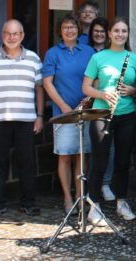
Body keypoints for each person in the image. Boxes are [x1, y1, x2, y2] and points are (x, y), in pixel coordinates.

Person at [0, 19, 44, 219]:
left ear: (22, 36)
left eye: (16, 34)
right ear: (2, 35)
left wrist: (39, 116)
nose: (11, 38)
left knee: (27, 163)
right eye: (8, 33)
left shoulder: (33, 59)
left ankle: (28, 203)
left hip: (25, 120)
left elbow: (39, 89)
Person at [82, 17, 136, 225]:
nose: (120, 34)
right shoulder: (98, 57)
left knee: (123, 162)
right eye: (116, 31)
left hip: (126, 115)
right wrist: (102, 95)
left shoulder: (134, 59)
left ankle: (121, 202)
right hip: (102, 114)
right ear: (109, 33)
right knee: (99, 161)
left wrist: (133, 90)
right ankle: (94, 206)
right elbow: (86, 88)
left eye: (124, 31)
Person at [42, 14, 96, 214]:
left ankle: (80, 197)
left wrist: (90, 99)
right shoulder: (53, 53)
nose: (69, 30)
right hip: (63, 113)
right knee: (65, 156)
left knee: (82, 156)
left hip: (85, 113)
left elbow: (94, 79)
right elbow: (47, 82)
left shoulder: (88, 51)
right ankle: (67, 198)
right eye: (65, 27)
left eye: (73, 27)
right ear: (60, 31)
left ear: (78, 29)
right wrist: (63, 106)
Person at [86, 16, 116, 201]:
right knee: (92, 149)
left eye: (102, 31)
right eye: (95, 31)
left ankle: (105, 184)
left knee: (109, 148)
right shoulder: (88, 52)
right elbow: (88, 81)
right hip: (91, 105)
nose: (99, 34)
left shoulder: (114, 53)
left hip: (108, 106)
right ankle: (90, 189)